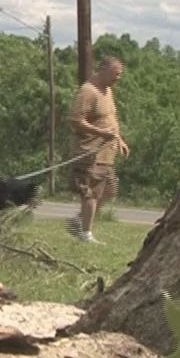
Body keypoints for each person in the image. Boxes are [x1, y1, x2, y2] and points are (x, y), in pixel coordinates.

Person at [67, 55, 127, 243]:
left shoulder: (108, 91)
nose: (118, 78)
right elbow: (76, 120)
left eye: (120, 75)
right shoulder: (88, 91)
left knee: (110, 190)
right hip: (89, 152)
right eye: (115, 74)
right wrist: (100, 132)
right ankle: (86, 233)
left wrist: (120, 140)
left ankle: (79, 220)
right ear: (103, 70)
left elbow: (110, 118)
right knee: (91, 193)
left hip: (107, 153)